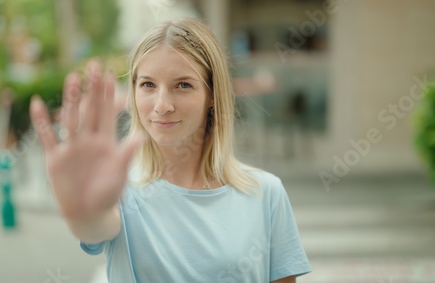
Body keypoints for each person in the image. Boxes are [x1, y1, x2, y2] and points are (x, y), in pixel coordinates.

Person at [30, 18, 311, 283]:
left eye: (183, 85)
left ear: (212, 95)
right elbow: (96, 225)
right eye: (148, 85)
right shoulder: (118, 191)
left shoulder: (267, 193)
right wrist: (83, 213)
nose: (162, 105)